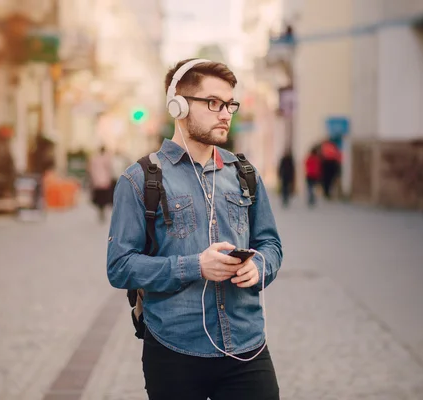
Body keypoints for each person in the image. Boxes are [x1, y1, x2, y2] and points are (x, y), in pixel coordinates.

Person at [107, 58, 283, 399]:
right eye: (213, 103)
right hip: (175, 349)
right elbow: (120, 267)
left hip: (247, 345)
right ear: (179, 105)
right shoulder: (140, 179)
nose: (225, 113)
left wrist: (259, 265)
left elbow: (270, 243)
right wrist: (195, 266)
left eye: (229, 104)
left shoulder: (244, 173)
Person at [87, 146, 114, 222]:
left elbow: (90, 169)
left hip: (97, 182)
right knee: (103, 198)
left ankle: (101, 210)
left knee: (99, 198)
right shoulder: (106, 158)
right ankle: (102, 210)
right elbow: (109, 169)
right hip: (104, 181)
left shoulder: (94, 158)